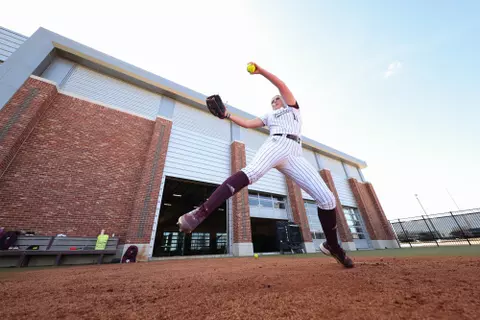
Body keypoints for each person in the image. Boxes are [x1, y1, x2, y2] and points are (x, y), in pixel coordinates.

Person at [177, 62, 354, 268]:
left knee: (328, 200)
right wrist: (227, 115)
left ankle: (332, 245)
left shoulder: (294, 110)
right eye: (272, 100)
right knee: (252, 172)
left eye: (277, 98)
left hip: (295, 154)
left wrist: (261, 72)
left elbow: (280, 85)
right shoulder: (270, 116)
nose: (275, 100)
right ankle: (200, 213)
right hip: (277, 143)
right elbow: (247, 123)